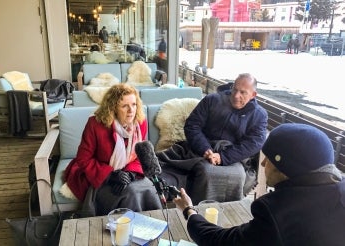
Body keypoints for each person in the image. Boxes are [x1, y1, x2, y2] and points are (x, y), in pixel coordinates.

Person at [173, 123, 345, 246]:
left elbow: (219, 241)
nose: (262, 165)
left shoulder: (278, 212)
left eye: (267, 160)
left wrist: (189, 211)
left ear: (284, 169)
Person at [157, 73, 268, 204]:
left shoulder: (259, 115)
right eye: (235, 89)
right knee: (203, 170)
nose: (236, 95)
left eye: (243, 92)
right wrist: (205, 149)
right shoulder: (212, 100)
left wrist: (222, 157)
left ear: (253, 95)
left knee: (233, 175)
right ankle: (194, 209)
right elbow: (192, 125)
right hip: (199, 151)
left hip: (232, 157)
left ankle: (225, 211)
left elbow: (253, 144)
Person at [62, 84, 162, 215]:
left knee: (150, 190)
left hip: (130, 173)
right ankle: (125, 229)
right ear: (113, 108)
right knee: (129, 194)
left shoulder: (140, 122)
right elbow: (83, 159)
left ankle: (151, 226)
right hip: (100, 175)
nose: (131, 110)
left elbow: (140, 154)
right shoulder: (95, 124)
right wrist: (110, 175)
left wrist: (130, 173)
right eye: (125, 106)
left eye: (134, 104)